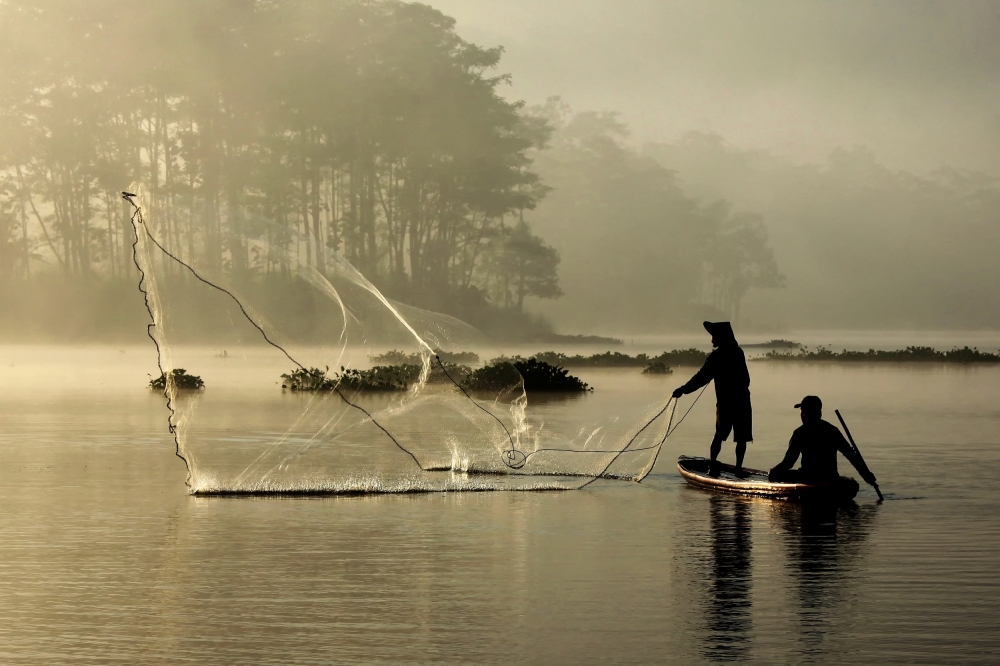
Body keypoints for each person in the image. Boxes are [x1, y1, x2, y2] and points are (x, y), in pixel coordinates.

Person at [672, 321, 752, 475]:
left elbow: (701, 378)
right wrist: (684, 390)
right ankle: (737, 469)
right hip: (741, 400)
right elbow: (746, 379)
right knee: (739, 438)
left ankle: (714, 465)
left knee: (720, 435)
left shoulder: (718, 357)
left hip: (728, 402)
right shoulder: (737, 352)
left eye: (714, 337)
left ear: (721, 338)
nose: (712, 340)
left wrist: (683, 389)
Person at [769, 395, 877, 485]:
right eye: (802, 411)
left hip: (808, 477)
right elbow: (851, 455)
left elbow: (788, 463)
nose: (802, 415)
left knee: (776, 475)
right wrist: (866, 475)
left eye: (804, 411)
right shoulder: (832, 430)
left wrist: (774, 471)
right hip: (830, 477)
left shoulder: (800, 433)